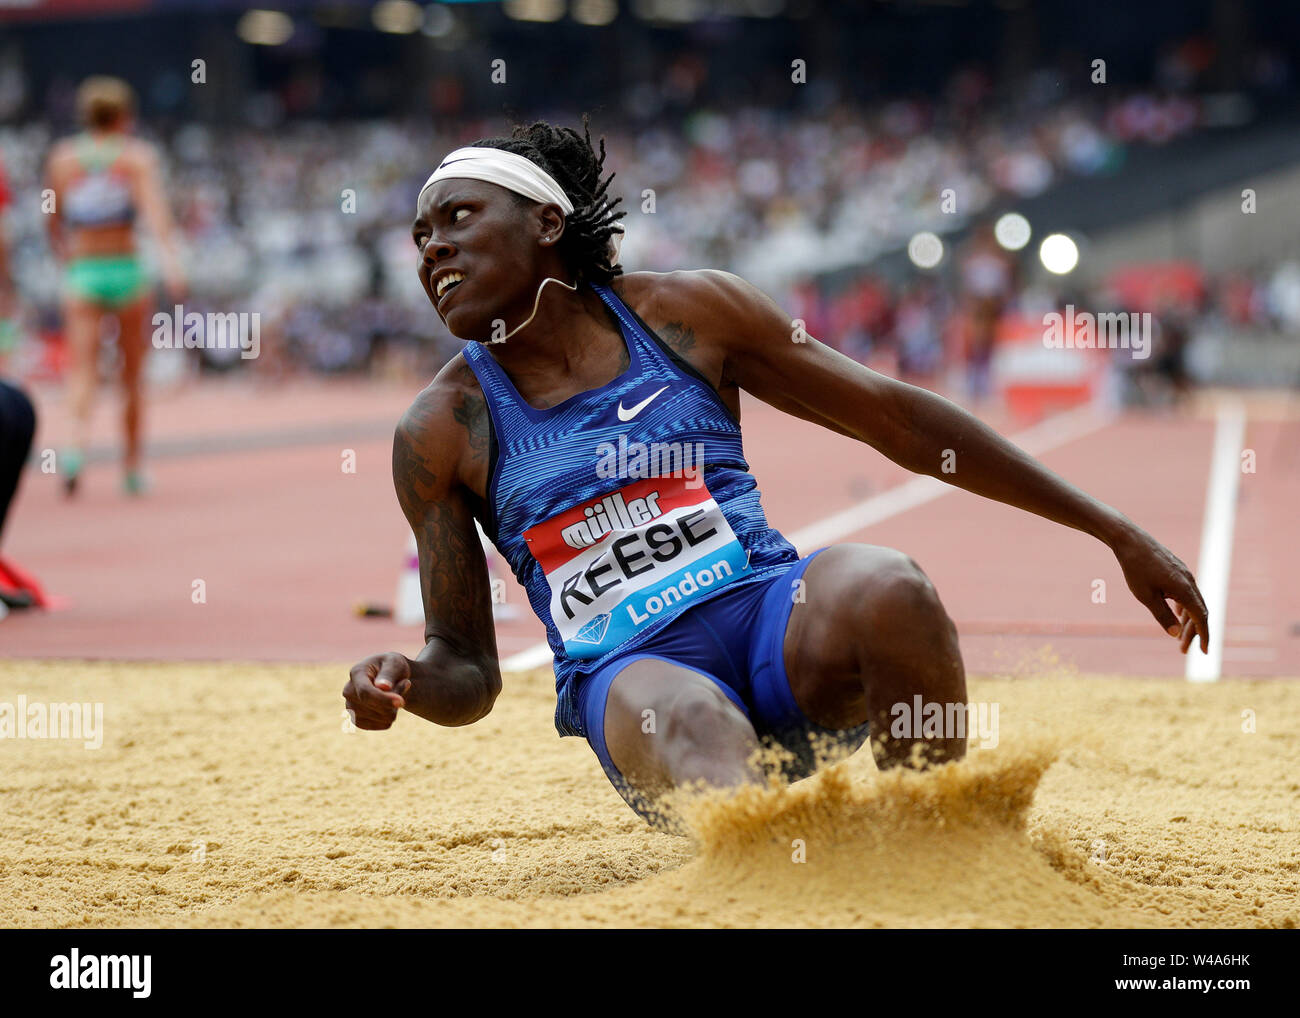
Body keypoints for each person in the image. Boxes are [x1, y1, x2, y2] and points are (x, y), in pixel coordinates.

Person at [344, 119, 1209, 832]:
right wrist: (411, 682)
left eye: (456, 217)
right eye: (420, 236)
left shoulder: (690, 316)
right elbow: (469, 670)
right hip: (635, 679)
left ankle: (940, 842)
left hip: (774, 627)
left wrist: (1114, 531)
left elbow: (899, 419)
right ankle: (775, 890)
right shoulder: (441, 428)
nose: (431, 249)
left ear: (546, 222)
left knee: (889, 584)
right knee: (691, 718)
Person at [44, 76, 184, 496]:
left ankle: (72, 451)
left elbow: (52, 216)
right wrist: (173, 264)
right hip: (126, 270)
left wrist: (65, 256)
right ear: (125, 116)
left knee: (82, 370)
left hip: (84, 272)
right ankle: (132, 467)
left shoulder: (64, 157)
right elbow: (156, 213)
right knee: (131, 375)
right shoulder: (137, 158)